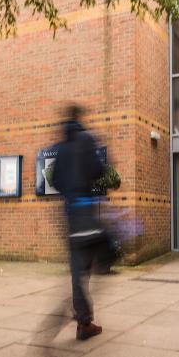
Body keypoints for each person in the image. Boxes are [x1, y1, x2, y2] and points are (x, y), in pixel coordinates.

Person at [51, 104, 105, 341]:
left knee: (77, 272)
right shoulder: (86, 139)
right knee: (91, 264)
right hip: (87, 216)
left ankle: (82, 318)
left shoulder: (61, 147)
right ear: (79, 118)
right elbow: (98, 170)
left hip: (70, 216)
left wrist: (70, 193)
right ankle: (83, 319)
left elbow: (54, 179)